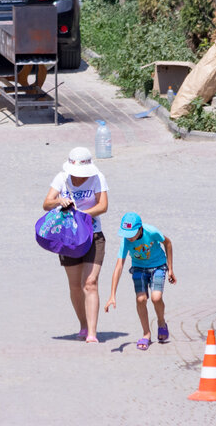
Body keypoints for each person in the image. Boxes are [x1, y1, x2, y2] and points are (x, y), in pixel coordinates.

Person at [42, 147, 109, 344]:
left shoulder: (97, 178)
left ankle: (92, 333)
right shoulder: (62, 178)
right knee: (75, 286)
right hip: (69, 238)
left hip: (93, 235)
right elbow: (46, 203)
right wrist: (59, 201)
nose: (78, 178)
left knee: (90, 283)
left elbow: (103, 206)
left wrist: (82, 215)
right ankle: (83, 324)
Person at [104, 212, 176, 350]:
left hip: (158, 266)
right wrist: (112, 295)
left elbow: (168, 243)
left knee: (156, 297)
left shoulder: (152, 232)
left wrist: (171, 269)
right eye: (126, 233)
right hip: (139, 268)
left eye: (132, 233)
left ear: (140, 229)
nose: (129, 237)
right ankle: (146, 334)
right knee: (141, 299)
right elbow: (119, 266)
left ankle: (161, 323)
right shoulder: (126, 240)